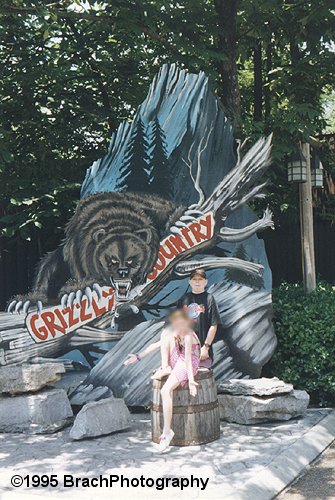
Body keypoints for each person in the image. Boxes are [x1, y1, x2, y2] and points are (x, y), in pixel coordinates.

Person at [124, 309, 201, 452]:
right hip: (179, 359)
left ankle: (167, 432)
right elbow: (156, 345)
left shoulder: (188, 335)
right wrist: (138, 356)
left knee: (166, 390)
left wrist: (191, 381)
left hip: (188, 362)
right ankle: (165, 367)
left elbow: (189, 361)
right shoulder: (174, 332)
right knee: (165, 334)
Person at [177, 269, 220, 367]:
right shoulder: (184, 299)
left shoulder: (209, 299)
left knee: (201, 379)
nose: (197, 281)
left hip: (202, 352)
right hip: (185, 351)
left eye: (200, 279)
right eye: (194, 279)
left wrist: (206, 347)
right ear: (189, 281)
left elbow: (214, 325)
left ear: (205, 282)